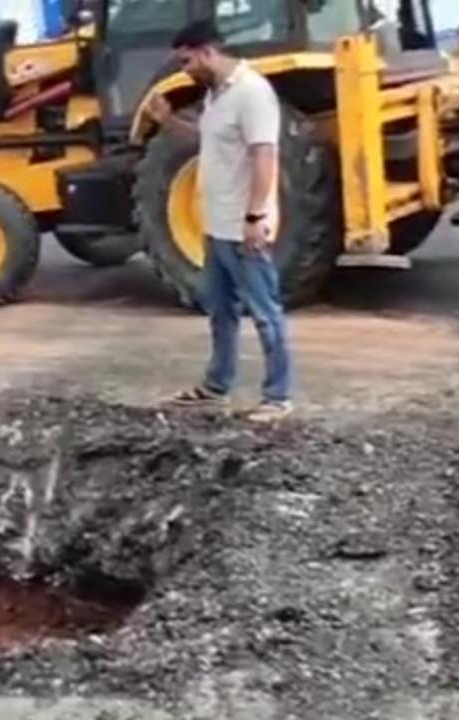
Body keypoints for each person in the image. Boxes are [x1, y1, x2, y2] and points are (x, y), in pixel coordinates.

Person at [150, 20, 294, 422]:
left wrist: (255, 216)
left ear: (207, 52)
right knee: (221, 312)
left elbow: (264, 157)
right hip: (216, 228)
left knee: (265, 313)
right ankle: (215, 386)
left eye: (187, 61)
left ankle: (278, 397)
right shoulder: (216, 96)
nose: (185, 71)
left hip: (244, 226)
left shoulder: (251, 93)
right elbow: (209, 141)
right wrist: (168, 123)